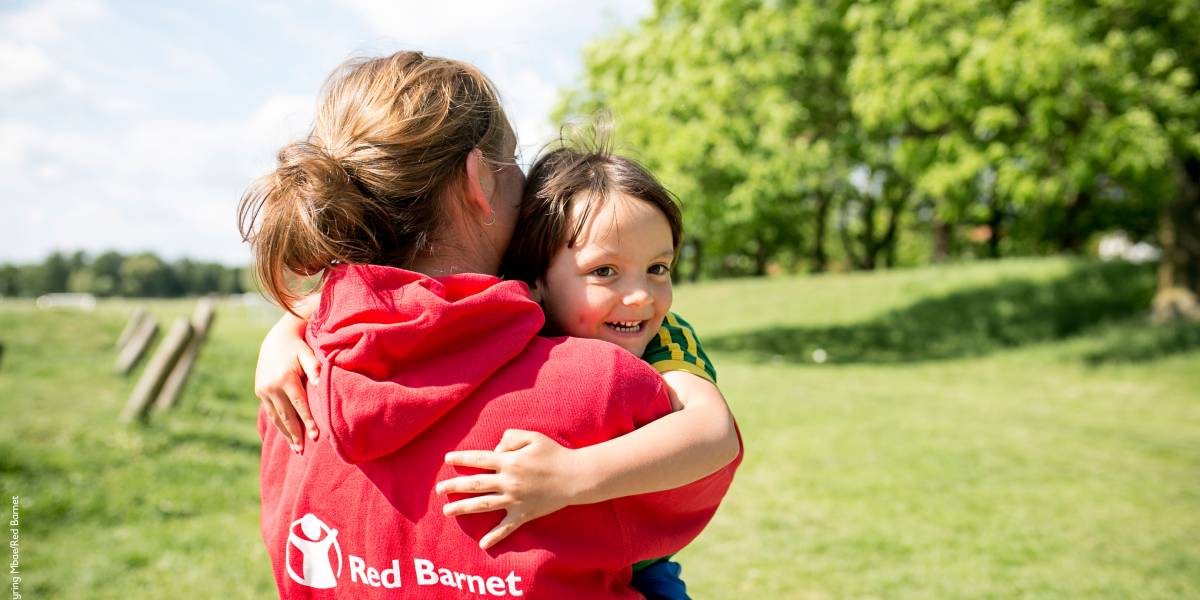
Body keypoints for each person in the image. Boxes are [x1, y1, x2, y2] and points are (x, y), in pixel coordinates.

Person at [241, 50, 740, 599]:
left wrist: (290, 328)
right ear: (478, 179)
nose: (639, 295)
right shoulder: (612, 388)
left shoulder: (295, 390)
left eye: (658, 268)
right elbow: (711, 448)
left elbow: (383, 307)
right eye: (515, 162)